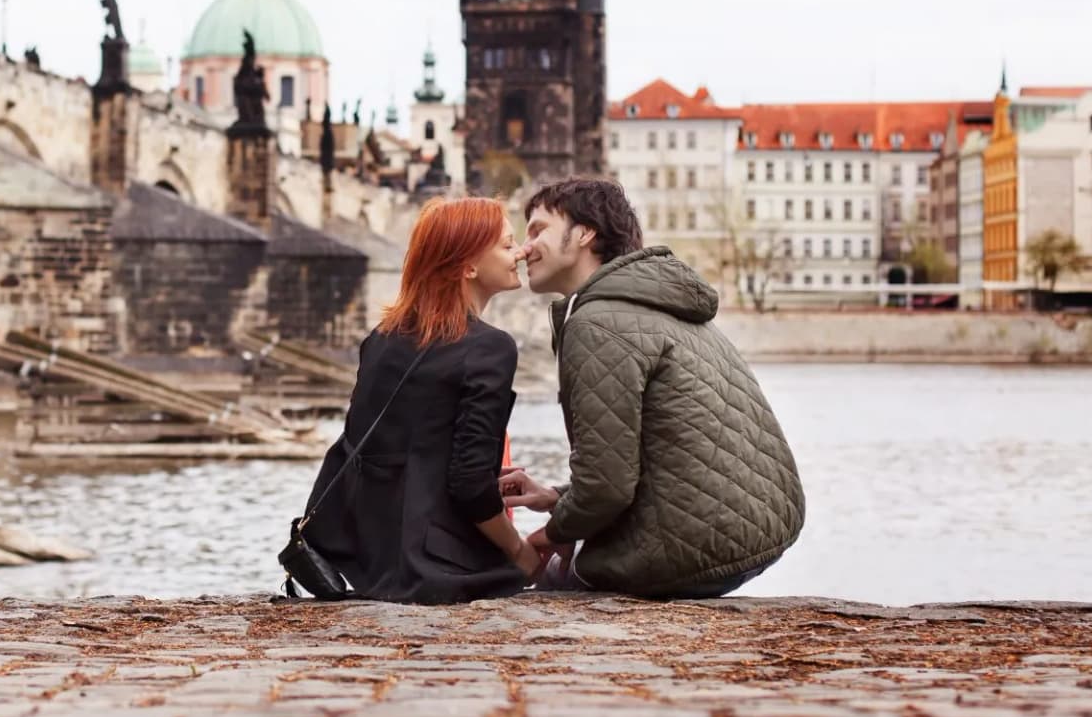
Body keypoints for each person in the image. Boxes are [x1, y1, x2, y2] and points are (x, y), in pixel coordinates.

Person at [505, 178, 804, 598]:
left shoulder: (599, 322)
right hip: (759, 527)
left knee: (542, 588)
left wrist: (553, 533)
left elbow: (608, 486)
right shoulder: (657, 305)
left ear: (586, 232)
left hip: (693, 545)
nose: (524, 247)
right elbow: (661, 456)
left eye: (538, 230)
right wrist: (557, 497)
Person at [293, 196, 541, 602]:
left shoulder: (381, 339)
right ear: (469, 266)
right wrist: (520, 550)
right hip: (438, 569)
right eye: (506, 244)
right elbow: (469, 485)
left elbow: (381, 452)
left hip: (368, 563)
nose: (518, 254)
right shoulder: (491, 348)